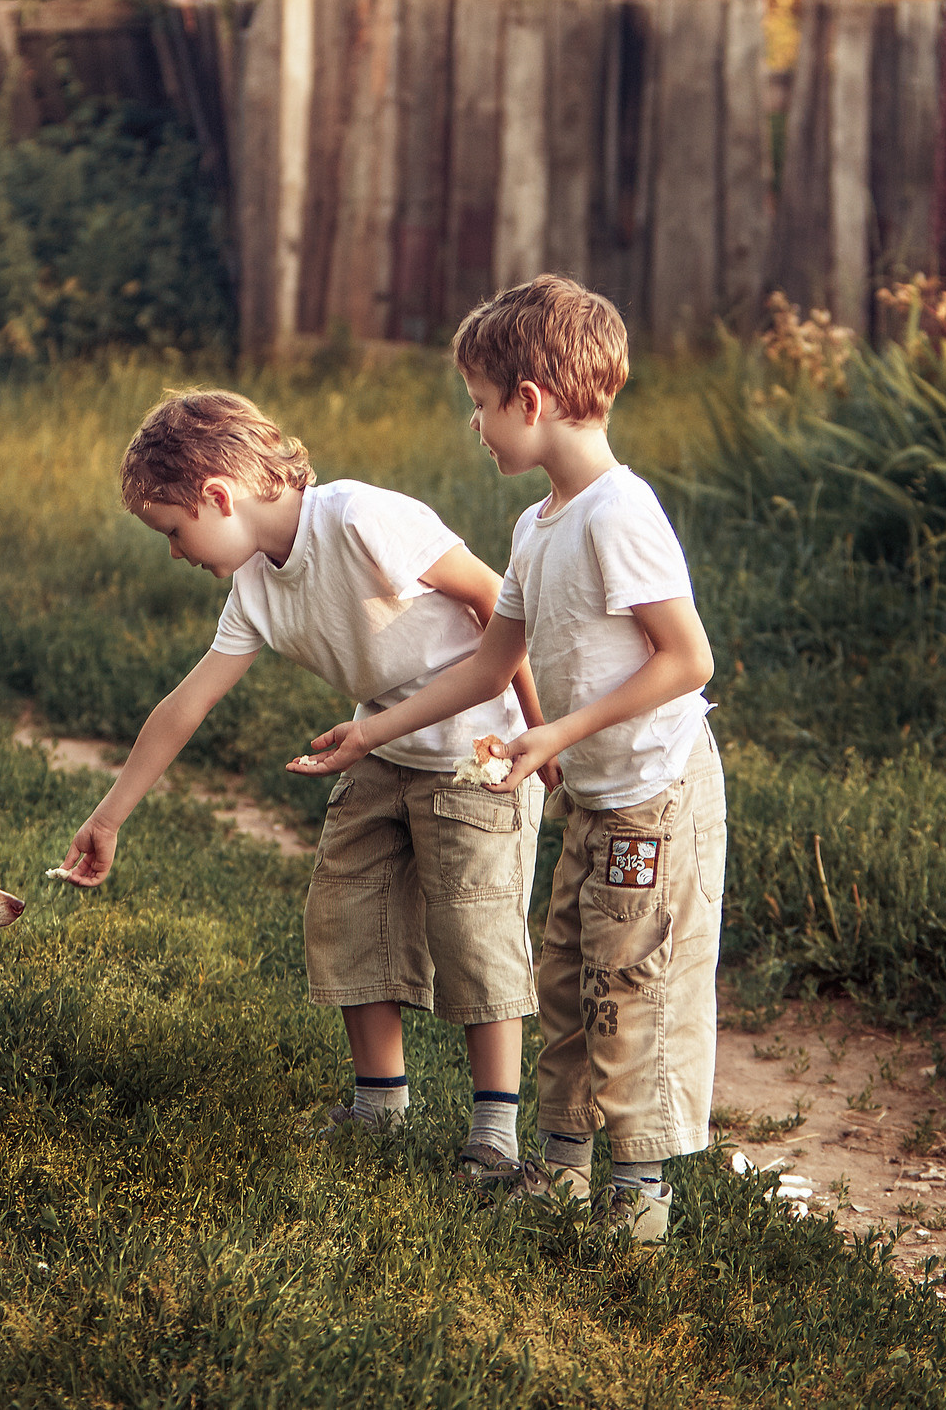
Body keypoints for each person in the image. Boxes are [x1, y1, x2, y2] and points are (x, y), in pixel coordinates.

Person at [289, 277, 723, 1243]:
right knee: (565, 969)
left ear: (531, 400)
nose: (476, 424)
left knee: (631, 975)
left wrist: (558, 735)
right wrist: (370, 732)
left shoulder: (619, 512)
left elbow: (687, 659)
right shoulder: (537, 526)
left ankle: (639, 1196)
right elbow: (493, 658)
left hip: (656, 792)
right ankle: (562, 1174)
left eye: (483, 403)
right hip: (600, 796)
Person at [54, 388, 552, 1178]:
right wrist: (110, 815)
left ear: (219, 494)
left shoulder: (357, 518)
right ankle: (379, 1103)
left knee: (474, 925)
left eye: (175, 532)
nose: (177, 553)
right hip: (379, 745)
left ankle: (495, 1132)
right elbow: (185, 704)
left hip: (477, 746)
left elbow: (497, 600)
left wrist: (538, 730)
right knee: (346, 904)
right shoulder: (253, 587)